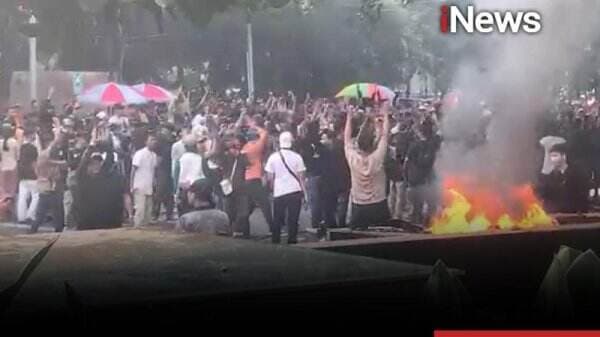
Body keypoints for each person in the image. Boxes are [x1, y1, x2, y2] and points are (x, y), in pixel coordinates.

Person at [344, 102, 391, 229]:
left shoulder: (352, 158)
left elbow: (347, 139)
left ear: (358, 145)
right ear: (373, 143)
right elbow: (385, 136)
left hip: (359, 205)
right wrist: (385, 115)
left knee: (358, 237)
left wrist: (348, 117)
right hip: (378, 204)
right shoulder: (377, 158)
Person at [265, 131, 307, 244]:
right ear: (291, 142)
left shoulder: (273, 157)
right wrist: (305, 194)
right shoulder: (297, 157)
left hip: (279, 191)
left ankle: (276, 241)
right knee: (293, 218)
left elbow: (269, 177)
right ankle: (292, 240)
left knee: (277, 218)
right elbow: (301, 177)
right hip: (295, 190)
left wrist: (273, 188)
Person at [240, 114, 273, 233]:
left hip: (245, 180)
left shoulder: (244, 148)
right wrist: (254, 125)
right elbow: (264, 133)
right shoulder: (256, 146)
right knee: (265, 205)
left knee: (247, 207)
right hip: (255, 179)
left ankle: (242, 230)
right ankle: (273, 228)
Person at [30, 127, 67, 234]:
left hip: (51, 187)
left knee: (57, 214)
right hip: (47, 187)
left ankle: (57, 233)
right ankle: (33, 232)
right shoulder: (43, 155)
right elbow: (51, 159)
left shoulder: (47, 154)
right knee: (42, 214)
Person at [405, 118, 441, 225]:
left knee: (418, 208)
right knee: (429, 207)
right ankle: (427, 226)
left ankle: (419, 227)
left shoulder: (415, 145)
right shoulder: (434, 143)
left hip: (419, 182)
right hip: (426, 181)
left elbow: (406, 164)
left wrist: (407, 179)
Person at [538, 143, 589, 214]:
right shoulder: (550, 176)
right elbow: (546, 196)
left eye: (555, 156)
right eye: (551, 156)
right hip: (556, 215)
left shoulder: (576, 174)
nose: (552, 159)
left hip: (575, 215)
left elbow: (583, 194)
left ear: (564, 156)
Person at [131, 134, 158, 227]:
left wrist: (154, 183)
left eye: (154, 140)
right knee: (140, 209)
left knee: (148, 210)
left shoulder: (154, 155)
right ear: (146, 142)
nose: (153, 142)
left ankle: (145, 231)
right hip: (139, 185)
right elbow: (133, 170)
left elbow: (153, 170)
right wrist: (131, 185)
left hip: (149, 185)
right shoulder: (139, 153)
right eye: (151, 140)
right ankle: (137, 228)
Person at [16, 128, 39, 224]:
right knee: (36, 196)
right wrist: (38, 174)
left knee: (22, 197)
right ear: (31, 135)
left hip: (22, 174)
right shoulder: (33, 148)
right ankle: (30, 215)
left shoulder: (21, 147)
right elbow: (34, 163)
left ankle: (21, 217)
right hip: (32, 175)